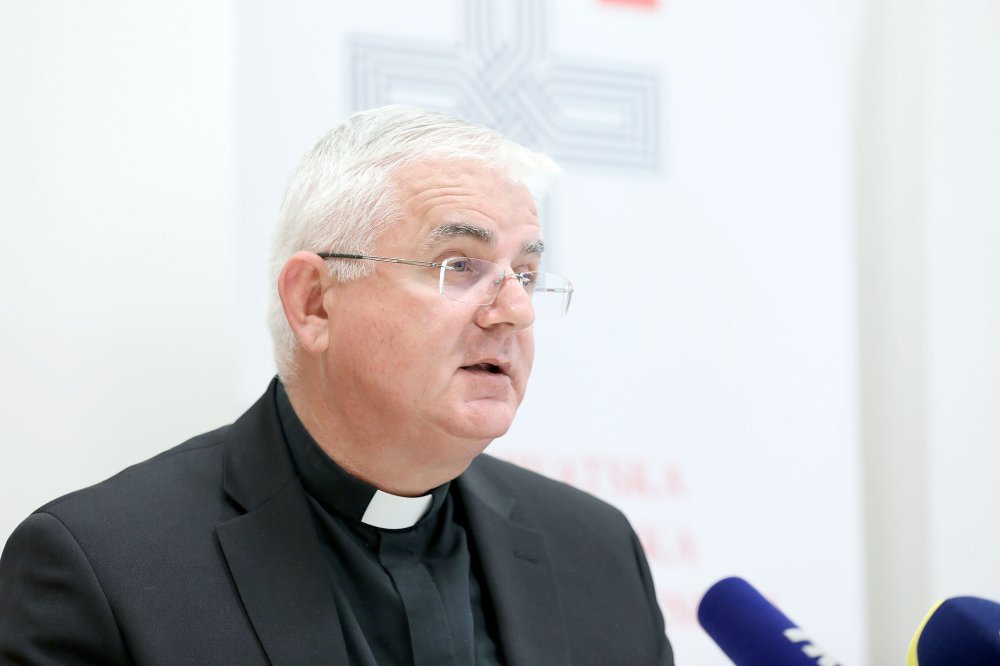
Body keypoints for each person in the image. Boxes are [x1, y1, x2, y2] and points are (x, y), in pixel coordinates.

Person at [0, 106, 674, 665]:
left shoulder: (596, 552)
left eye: (525, 274)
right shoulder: (102, 567)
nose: (516, 311)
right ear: (315, 303)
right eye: (460, 265)